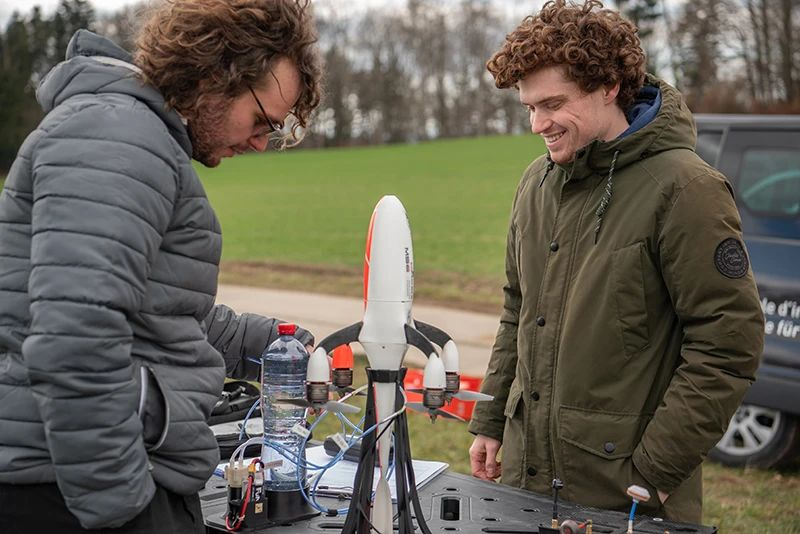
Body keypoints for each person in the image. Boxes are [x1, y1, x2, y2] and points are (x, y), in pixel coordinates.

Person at [0, 0, 322, 532]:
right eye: (262, 120)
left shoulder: (132, 136)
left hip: (82, 480)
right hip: (73, 491)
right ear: (215, 75)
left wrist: (261, 343)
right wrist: (123, 505)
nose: (262, 142)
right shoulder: (116, 137)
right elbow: (76, 336)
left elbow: (152, 311)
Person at [467, 0, 764, 523]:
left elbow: (727, 343)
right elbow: (518, 310)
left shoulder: (686, 188)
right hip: (524, 481)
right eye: (529, 107)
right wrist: (491, 420)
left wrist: (655, 472)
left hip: (626, 494)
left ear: (608, 86)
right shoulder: (536, 183)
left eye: (552, 103)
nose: (538, 123)